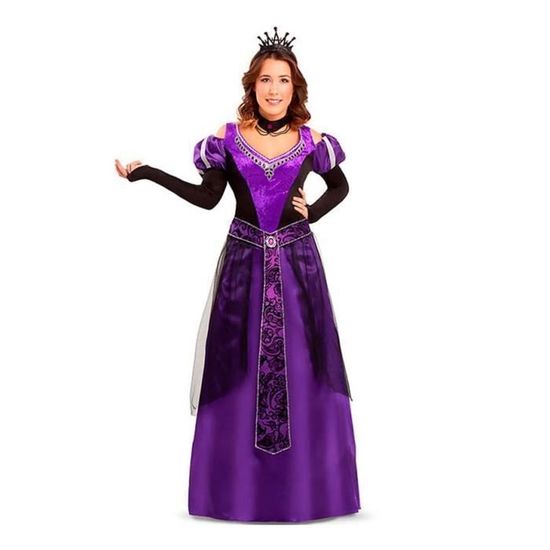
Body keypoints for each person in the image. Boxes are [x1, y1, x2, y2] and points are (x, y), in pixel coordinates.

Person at [114, 26, 360, 522]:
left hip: (297, 267)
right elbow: (207, 198)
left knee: (304, 364)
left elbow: (341, 186)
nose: (274, 89)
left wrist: (313, 212)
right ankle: (234, 493)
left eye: (283, 80)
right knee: (237, 364)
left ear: (295, 87)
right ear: (252, 85)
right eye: (266, 80)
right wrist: (146, 173)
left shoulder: (312, 141)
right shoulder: (227, 140)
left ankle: (310, 492)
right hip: (244, 268)